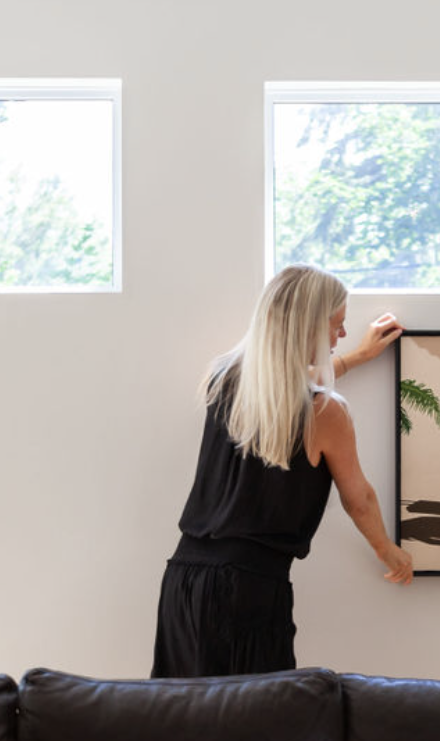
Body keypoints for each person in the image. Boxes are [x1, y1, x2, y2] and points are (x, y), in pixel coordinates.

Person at [153, 264, 415, 677]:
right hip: (249, 588)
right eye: (337, 325)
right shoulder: (324, 411)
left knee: (182, 718)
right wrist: (388, 550)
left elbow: (284, 378)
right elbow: (358, 497)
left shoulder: (224, 380)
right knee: (257, 723)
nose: (341, 336)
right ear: (309, 327)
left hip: (184, 579)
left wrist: (358, 358)